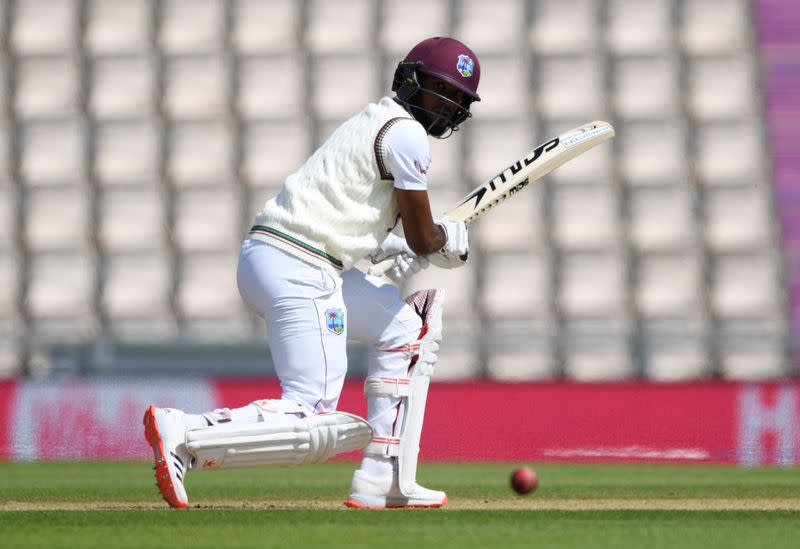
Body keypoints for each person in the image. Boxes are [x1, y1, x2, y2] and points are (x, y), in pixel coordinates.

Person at [143, 36, 481, 510]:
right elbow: (426, 236)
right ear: (411, 81)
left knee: (408, 330)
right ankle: (185, 429)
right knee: (311, 411)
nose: (444, 108)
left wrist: (392, 244)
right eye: (438, 92)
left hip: (286, 256)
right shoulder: (406, 134)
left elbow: (347, 205)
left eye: (456, 101)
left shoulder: (376, 121)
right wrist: (442, 240)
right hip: (300, 265)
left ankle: (383, 476)